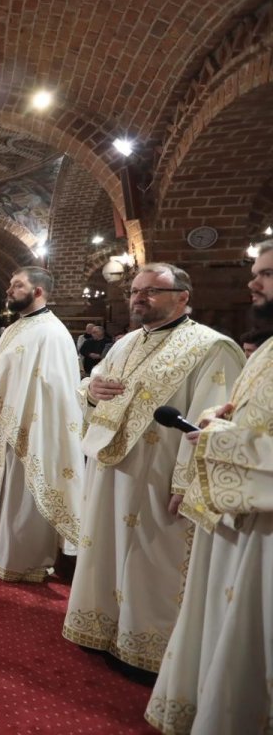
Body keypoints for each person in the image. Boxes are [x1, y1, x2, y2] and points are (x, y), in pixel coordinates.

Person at [64, 263, 244, 675]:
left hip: (161, 472)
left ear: (183, 296)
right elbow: (94, 388)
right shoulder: (126, 343)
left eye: (152, 291)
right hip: (111, 464)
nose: (139, 297)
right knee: (105, 546)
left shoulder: (212, 347)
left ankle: (146, 649)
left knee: (152, 558)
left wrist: (188, 482)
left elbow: (211, 421)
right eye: (135, 290)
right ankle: (101, 627)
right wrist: (91, 390)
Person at [146, 241, 273, 733]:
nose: (252, 283)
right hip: (240, 513)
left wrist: (216, 437)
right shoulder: (265, 349)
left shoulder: (216, 344)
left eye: (265, 273)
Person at [0, 266, 82, 582]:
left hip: (29, 427)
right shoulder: (15, 328)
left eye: (17, 285)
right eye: (10, 283)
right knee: (0, 489)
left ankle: (20, 558)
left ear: (38, 291)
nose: (9, 290)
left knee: (20, 492)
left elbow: (56, 390)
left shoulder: (52, 332)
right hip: (1, 424)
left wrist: (28, 421)